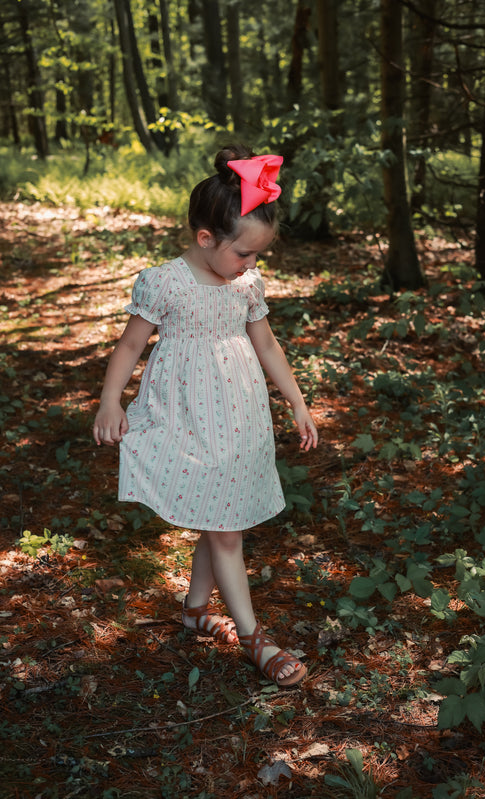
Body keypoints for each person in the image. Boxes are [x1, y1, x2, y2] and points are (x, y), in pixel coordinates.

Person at [93, 144, 318, 686]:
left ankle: (196, 610)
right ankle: (255, 641)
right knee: (225, 530)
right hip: (187, 414)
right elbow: (129, 348)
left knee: (222, 514)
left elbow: (266, 345)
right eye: (245, 254)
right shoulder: (164, 282)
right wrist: (109, 400)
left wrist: (296, 400)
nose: (252, 264)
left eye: (258, 255)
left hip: (240, 415)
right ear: (205, 239)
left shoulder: (245, 284)